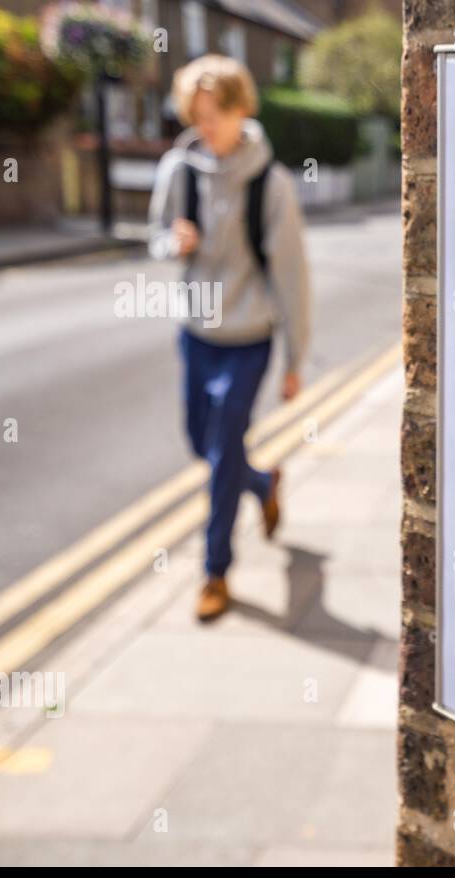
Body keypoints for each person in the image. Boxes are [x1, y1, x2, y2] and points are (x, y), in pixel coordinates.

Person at [148, 54, 310, 622]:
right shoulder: (179, 170)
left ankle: (215, 571)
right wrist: (175, 242)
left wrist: (296, 358)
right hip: (196, 332)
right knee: (201, 442)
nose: (204, 127)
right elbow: (155, 237)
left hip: (249, 338)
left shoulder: (272, 183)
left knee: (220, 458)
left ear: (242, 108)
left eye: (215, 115)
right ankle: (263, 483)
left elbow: (292, 277)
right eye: (196, 116)